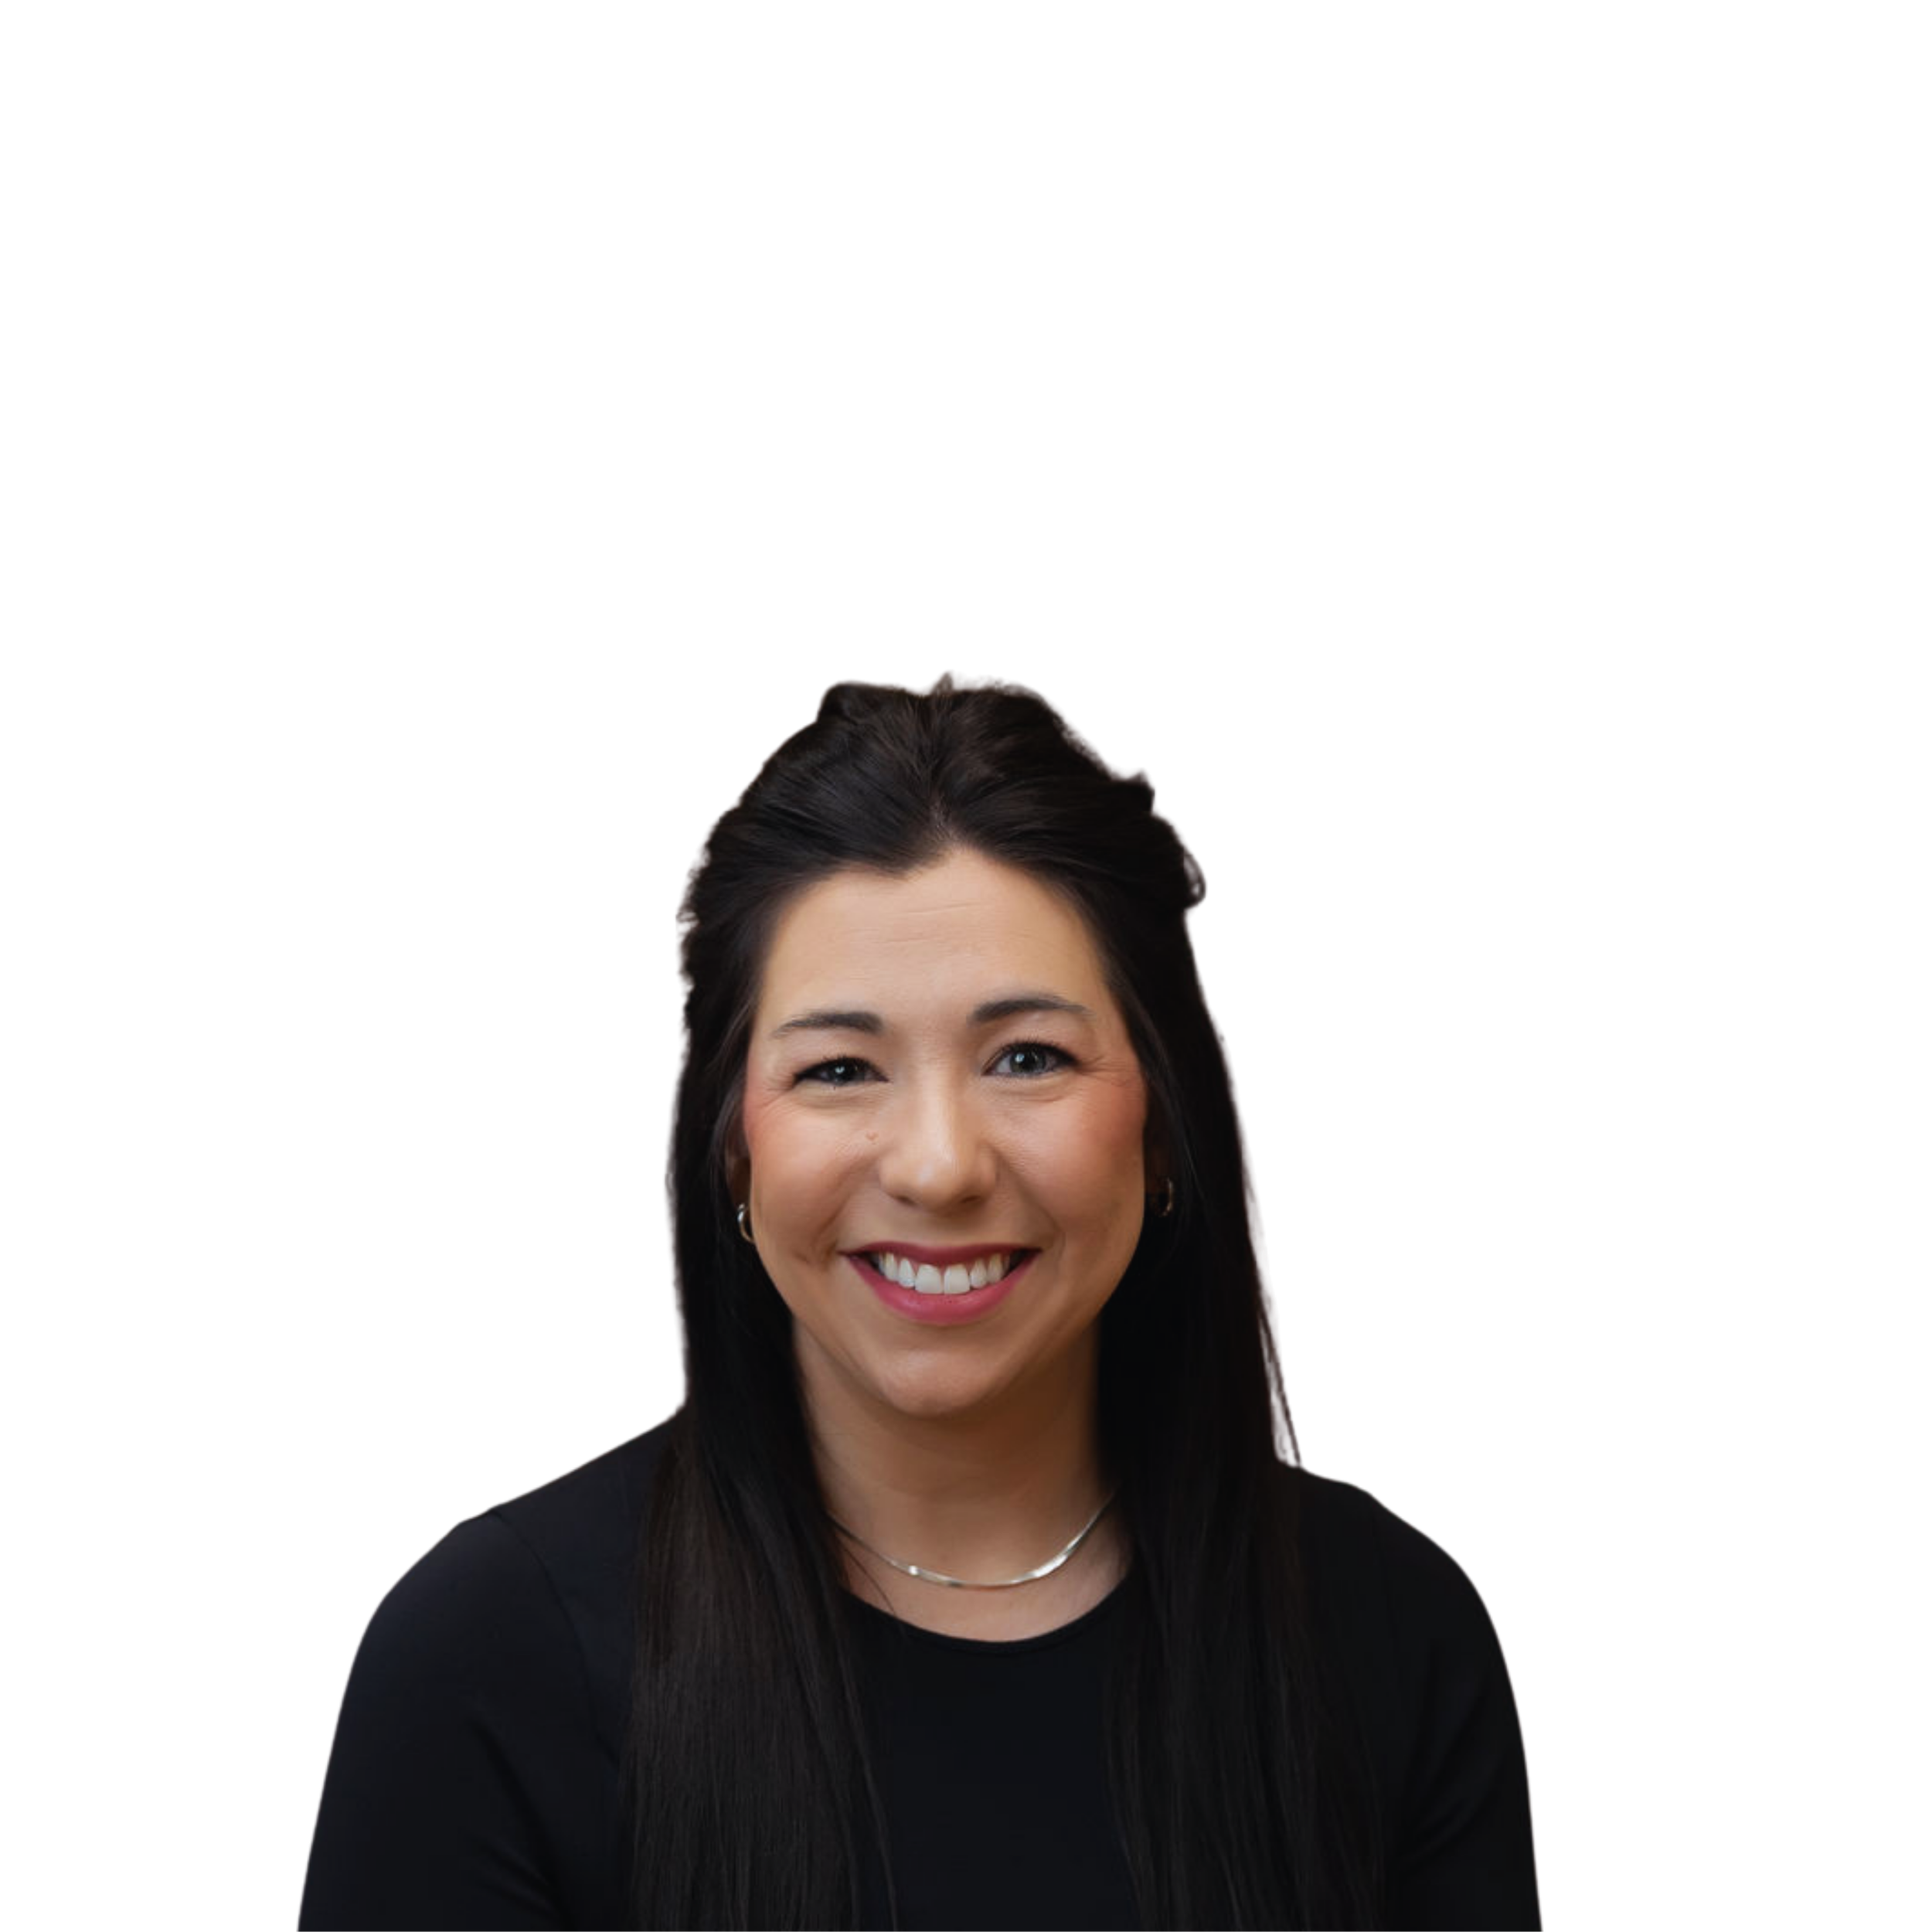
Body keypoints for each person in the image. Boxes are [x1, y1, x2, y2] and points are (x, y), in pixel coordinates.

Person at [298, 672, 1543, 1930]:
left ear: (1164, 1130)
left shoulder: (1390, 1631)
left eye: (1028, 1058)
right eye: (839, 1068)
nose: (939, 1165)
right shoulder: (487, 1659)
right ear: (732, 1152)